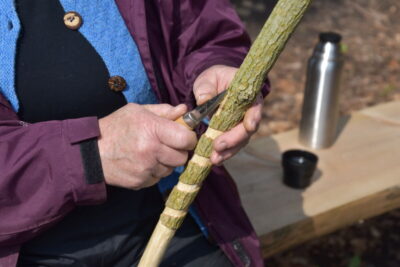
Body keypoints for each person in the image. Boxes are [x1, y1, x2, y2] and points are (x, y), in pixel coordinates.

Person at [0, 0, 270, 266]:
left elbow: (202, 27)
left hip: (175, 215)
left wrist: (213, 66)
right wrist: (90, 155)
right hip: (25, 252)